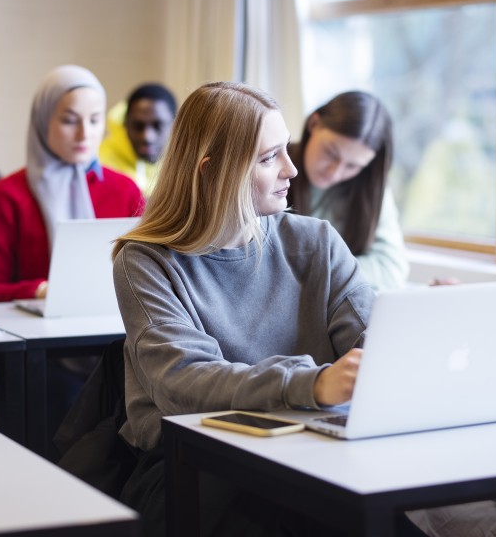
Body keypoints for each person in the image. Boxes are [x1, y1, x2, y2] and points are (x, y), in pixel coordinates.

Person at [112, 82, 373, 536]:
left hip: (314, 451)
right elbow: (183, 381)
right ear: (213, 171)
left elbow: (376, 342)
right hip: (196, 467)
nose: (292, 169)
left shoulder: (317, 242)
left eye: (286, 150)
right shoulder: (144, 261)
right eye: (269, 157)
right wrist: (314, 383)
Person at [0, 65, 144, 303]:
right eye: (70, 121)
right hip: (34, 334)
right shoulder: (7, 196)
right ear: (43, 121)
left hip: (113, 330)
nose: (85, 134)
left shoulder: (125, 190)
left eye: (94, 120)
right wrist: (40, 291)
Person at [287, 90, 409, 291]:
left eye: (352, 166)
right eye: (330, 153)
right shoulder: (270, 168)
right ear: (314, 124)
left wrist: (317, 270)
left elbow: (391, 269)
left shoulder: (371, 189)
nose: (334, 173)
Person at [99, 82, 177, 197]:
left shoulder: (189, 164)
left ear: (175, 124)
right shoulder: (99, 166)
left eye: (158, 126)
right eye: (138, 126)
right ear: (125, 124)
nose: (147, 137)